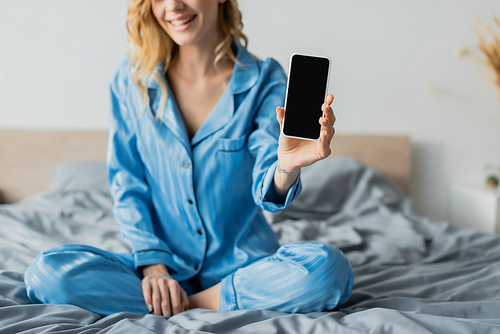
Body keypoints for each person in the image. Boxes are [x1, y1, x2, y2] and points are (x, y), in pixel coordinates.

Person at [24, 0, 353, 317]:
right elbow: (127, 183)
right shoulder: (131, 80)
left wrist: (287, 166)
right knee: (46, 273)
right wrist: (154, 268)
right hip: (159, 271)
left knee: (328, 270)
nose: (173, 6)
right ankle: (181, 298)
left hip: (245, 269)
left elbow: (269, 189)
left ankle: (190, 303)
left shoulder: (264, 80)